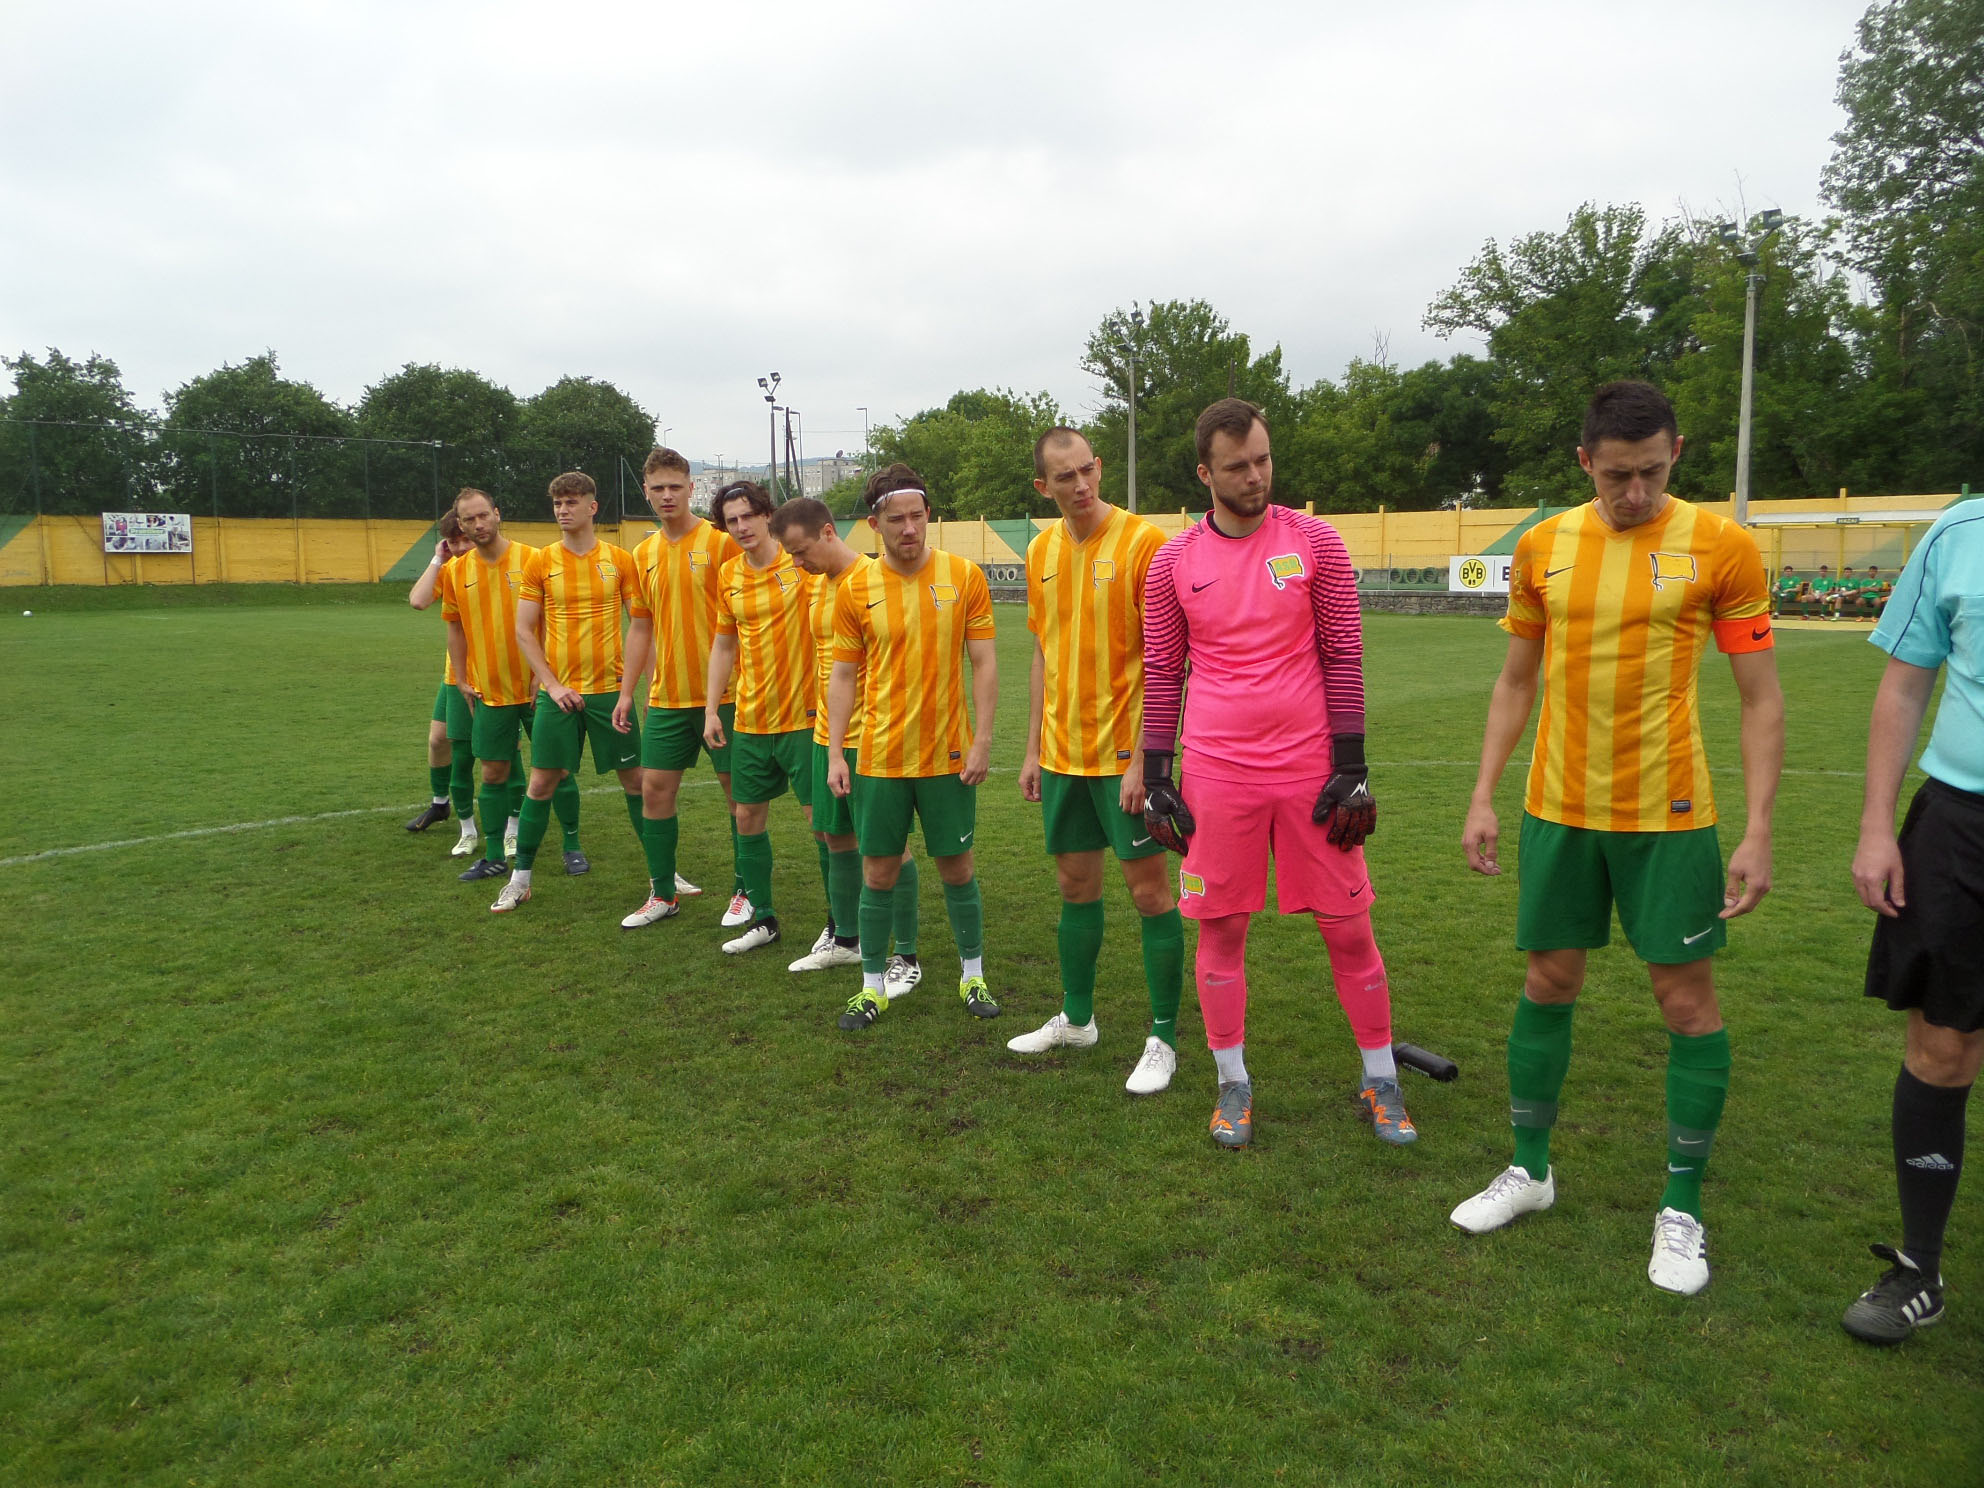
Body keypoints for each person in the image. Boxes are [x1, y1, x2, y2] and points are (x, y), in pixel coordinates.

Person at [1454, 380, 1785, 1296]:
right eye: (1615, 476)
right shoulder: (1543, 546)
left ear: (1675, 453)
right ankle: (1529, 1170)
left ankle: (1682, 1206)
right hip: (1557, 809)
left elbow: (1761, 698)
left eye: (1650, 473)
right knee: (1547, 982)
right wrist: (1483, 793)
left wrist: (1758, 828)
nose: (1634, 492)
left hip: (1670, 818)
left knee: (1685, 1004)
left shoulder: (1723, 546)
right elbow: (1516, 680)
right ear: (1584, 463)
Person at [1141, 398, 1411, 1149]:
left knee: (1350, 928)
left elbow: (1344, 652)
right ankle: (1232, 1084)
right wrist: (1157, 775)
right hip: (1217, 772)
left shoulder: (1315, 541)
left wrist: (1353, 766)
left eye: (1262, 460)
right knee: (1221, 929)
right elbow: (1162, 670)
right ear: (1205, 474)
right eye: (1237, 466)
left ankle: (1382, 1078)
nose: (1255, 476)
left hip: (1310, 772)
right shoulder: (1172, 562)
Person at [1841, 496, 1984, 1344]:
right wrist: (1875, 826)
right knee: (1941, 1047)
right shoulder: (1959, 533)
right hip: (1961, 826)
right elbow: (1904, 683)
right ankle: (1920, 1269)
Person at [1011, 428, 1186, 1096]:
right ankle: (1077, 1020)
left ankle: (1163, 1037)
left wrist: (1146, 758)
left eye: (1088, 470)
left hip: (1124, 758)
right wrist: (1033, 748)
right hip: (1062, 756)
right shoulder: (1040, 551)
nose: (1081, 485)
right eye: (1066, 477)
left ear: (1100, 467)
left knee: (1149, 893)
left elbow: (1167, 660)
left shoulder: (1146, 544)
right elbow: (1042, 651)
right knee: (1075, 887)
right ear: (1043, 487)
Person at [826, 463, 1000, 1030]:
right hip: (879, 756)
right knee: (878, 872)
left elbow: (984, 662)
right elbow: (843, 676)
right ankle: (871, 988)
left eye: (917, 516)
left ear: (928, 516)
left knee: (958, 868)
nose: (909, 528)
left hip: (948, 754)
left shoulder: (964, 576)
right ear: (874, 524)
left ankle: (972, 976)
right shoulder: (855, 588)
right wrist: (835, 753)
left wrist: (982, 740)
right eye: (896, 519)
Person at [769, 497, 924, 989]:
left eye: (801, 551)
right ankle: (846, 940)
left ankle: (906, 954)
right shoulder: (817, 584)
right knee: (832, 835)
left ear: (829, 532)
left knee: (887, 847)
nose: (798, 563)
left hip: (871, 737)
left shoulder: (874, 579)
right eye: (791, 555)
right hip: (827, 735)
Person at [490, 472, 644, 913]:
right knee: (541, 782)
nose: (562, 510)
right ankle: (520, 880)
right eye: (557, 503)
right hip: (558, 695)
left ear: (592, 507)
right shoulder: (541, 562)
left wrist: (628, 691)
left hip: (610, 692)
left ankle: (663, 874)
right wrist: (553, 685)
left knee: (636, 781)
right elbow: (524, 630)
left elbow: (640, 626)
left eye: (571, 502)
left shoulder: (619, 560)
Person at [615, 448, 741, 927]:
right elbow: (641, 627)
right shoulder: (642, 554)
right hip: (666, 697)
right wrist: (627, 692)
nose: (667, 495)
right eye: (658, 488)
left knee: (738, 797)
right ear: (646, 493)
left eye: (675, 486)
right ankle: (663, 893)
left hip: (724, 697)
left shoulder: (722, 544)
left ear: (691, 488)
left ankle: (745, 890)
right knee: (654, 792)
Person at [701, 481, 818, 954]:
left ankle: (841, 926)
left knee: (822, 823)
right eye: (732, 520)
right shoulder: (728, 573)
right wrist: (712, 709)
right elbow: (723, 644)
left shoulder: (801, 563)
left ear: (768, 514)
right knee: (746, 815)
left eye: (749, 515)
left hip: (806, 717)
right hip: (750, 718)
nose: (742, 526)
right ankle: (764, 918)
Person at [440, 487, 572, 884]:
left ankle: (572, 847)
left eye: (483, 515)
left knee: (559, 769)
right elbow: (455, 628)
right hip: (490, 691)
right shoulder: (455, 571)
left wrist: (543, 676)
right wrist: (462, 679)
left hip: (539, 689)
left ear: (497, 514)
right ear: (460, 525)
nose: (478, 524)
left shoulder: (533, 559)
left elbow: (552, 620)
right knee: (493, 773)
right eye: (469, 519)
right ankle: (495, 855)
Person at [405, 511, 477, 851]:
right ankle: (440, 804)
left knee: (497, 751)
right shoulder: (450, 569)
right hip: (455, 673)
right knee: (438, 741)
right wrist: (438, 557)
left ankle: (513, 818)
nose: (460, 547)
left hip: (495, 673)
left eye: (465, 540)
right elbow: (418, 601)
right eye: (453, 541)